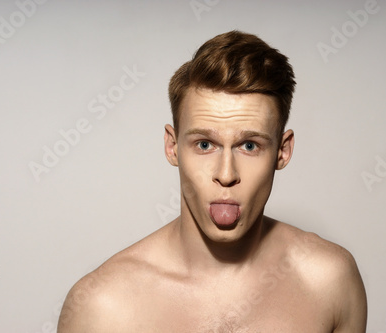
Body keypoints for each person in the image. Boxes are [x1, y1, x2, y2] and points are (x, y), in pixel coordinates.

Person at [58, 30, 367, 333]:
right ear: (172, 146)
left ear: (282, 152)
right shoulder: (102, 306)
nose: (226, 174)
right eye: (205, 144)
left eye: (249, 146)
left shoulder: (329, 282)